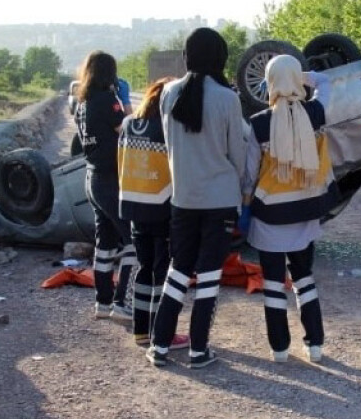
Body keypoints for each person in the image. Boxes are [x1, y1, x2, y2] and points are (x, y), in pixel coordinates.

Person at [147, 27, 249, 368]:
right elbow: (238, 152)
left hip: (183, 198)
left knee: (178, 271)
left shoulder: (168, 93)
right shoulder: (227, 98)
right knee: (208, 275)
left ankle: (159, 345)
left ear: (187, 55)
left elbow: (169, 142)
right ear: (219, 57)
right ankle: (198, 349)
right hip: (219, 199)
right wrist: (246, 190)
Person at [243, 55, 334, 362]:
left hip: (270, 214)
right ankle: (315, 345)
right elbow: (326, 82)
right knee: (304, 278)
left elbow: (248, 174)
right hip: (306, 210)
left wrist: (244, 204)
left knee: (272, 282)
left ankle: (280, 349)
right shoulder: (317, 113)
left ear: (268, 83)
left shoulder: (257, 124)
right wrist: (299, 75)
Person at [117, 78, 191, 351]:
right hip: (162, 207)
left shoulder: (127, 125)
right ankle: (163, 333)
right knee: (164, 273)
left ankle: (141, 331)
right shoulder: (168, 129)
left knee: (144, 268)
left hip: (133, 206)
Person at [75, 51, 135, 321]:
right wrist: (125, 103)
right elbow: (128, 128)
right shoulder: (106, 99)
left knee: (105, 242)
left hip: (92, 178)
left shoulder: (82, 104)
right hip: (111, 179)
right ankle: (123, 301)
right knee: (134, 239)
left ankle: (103, 301)